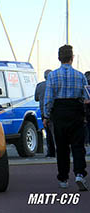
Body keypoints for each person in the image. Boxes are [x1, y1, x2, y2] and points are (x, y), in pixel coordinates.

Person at [44, 44, 88, 191]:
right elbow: (86, 97)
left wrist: (46, 115)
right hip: (76, 111)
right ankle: (80, 174)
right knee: (78, 146)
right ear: (72, 58)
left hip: (59, 112)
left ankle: (63, 178)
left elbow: (49, 98)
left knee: (62, 147)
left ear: (59, 58)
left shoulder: (52, 76)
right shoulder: (80, 76)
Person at [34, 69, 56, 157]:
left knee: (48, 133)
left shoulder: (39, 86)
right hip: (54, 111)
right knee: (55, 132)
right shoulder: (55, 85)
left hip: (43, 112)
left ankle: (50, 152)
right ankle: (58, 150)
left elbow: (36, 98)